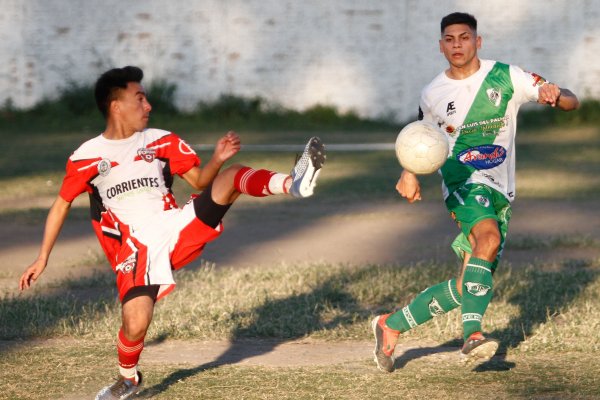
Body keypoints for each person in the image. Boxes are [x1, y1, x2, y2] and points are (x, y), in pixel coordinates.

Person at [18, 66, 326, 399]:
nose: (148, 105)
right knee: (136, 321)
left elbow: (199, 182)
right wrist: (42, 257)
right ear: (115, 105)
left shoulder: (162, 140)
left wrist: (218, 159)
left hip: (175, 225)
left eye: (146, 97)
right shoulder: (87, 156)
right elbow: (61, 204)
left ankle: (293, 182)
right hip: (135, 247)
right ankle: (128, 379)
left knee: (232, 176)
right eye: (139, 98)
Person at [371, 12, 579, 373]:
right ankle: (473, 336)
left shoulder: (507, 76)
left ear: (477, 41)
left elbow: (572, 100)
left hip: (502, 189)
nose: (457, 45)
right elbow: (421, 139)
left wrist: (556, 94)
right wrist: (409, 172)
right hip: (462, 181)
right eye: (449, 39)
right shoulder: (433, 92)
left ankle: (390, 325)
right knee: (488, 237)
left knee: (469, 282)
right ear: (441, 46)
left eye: (464, 38)